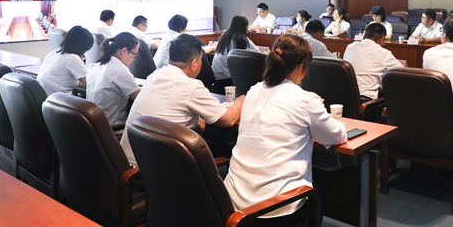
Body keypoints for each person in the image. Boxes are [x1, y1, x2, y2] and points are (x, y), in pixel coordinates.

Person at [224, 34, 346, 221]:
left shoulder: (253, 90)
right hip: (276, 207)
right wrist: (320, 111)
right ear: (301, 67)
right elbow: (336, 136)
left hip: (233, 202)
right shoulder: (305, 99)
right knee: (318, 194)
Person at [120, 34, 244, 166]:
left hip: (128, 165)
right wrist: (242, 99)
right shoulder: (190, 86)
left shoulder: (154, 76)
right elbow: (228, 120)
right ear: (194, 63)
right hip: (153, 171)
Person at [86, 32, 141, 126]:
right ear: (124, 50)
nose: (134, 59)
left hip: (94, 126)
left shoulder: (97, 66)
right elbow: (139, 98)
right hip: (113, 128)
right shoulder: (119, 69)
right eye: (134, 55)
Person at [343, 23, 403, 100]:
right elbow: (402, 72)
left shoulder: (350, 47)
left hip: (345, 97)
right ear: (382, 38)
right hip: (367, 101)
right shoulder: (383, 53)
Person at [37, 25, 93, 95]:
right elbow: (91, 83)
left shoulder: (54, 52)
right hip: (56, 99)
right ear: (82, 46)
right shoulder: (72, 58)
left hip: (43, 98)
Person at [212, 15, 257, 81]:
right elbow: (257, 53)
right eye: (247, 26)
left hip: (216, 77)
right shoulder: (243, 40)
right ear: (244, 27)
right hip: (229, 79)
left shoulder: (224, 35)